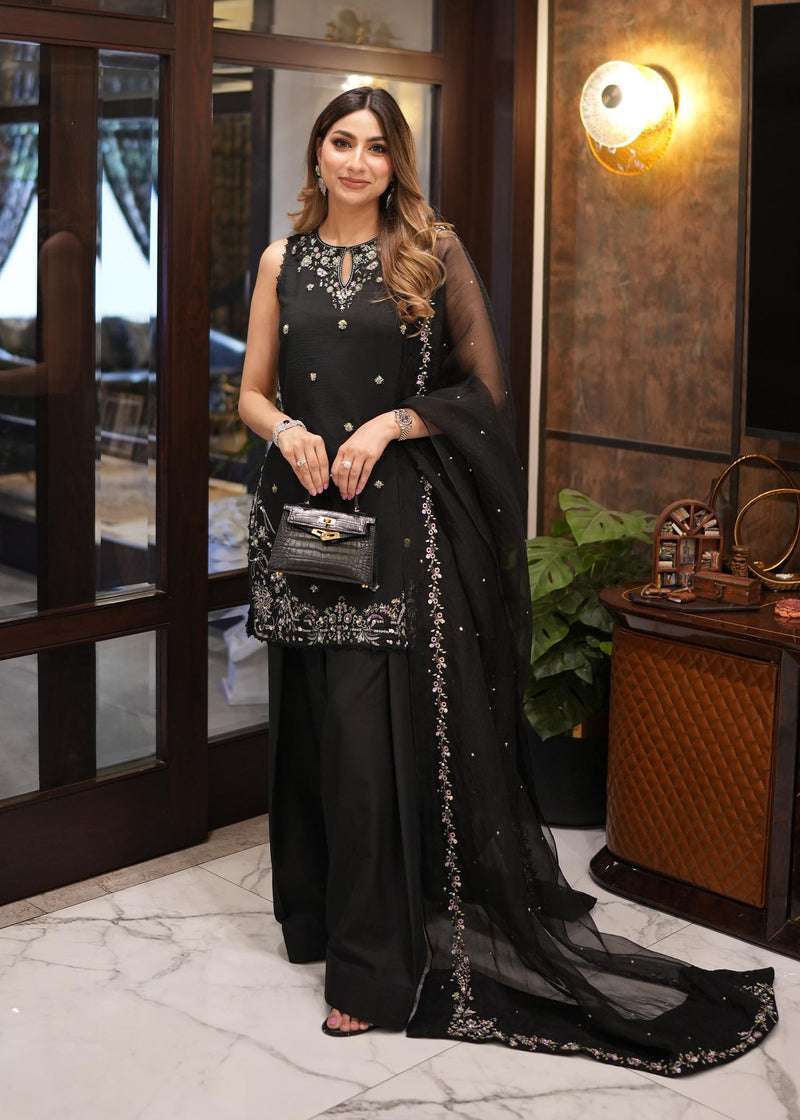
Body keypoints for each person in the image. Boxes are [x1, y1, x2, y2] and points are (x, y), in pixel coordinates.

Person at [238, 86, 779, 1072]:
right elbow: (250, 389)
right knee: (312, 731)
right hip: (307, 524)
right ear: (317, 153)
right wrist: (287, 430)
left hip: (396, 529)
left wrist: (387, 424)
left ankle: (368, 972)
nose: (356, 161)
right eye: (340, 142)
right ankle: (313, 920)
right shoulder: (282, 261)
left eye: (375, 147)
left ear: (395, 161)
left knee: (365, 748)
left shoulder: (429, 251)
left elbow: (483, 393)